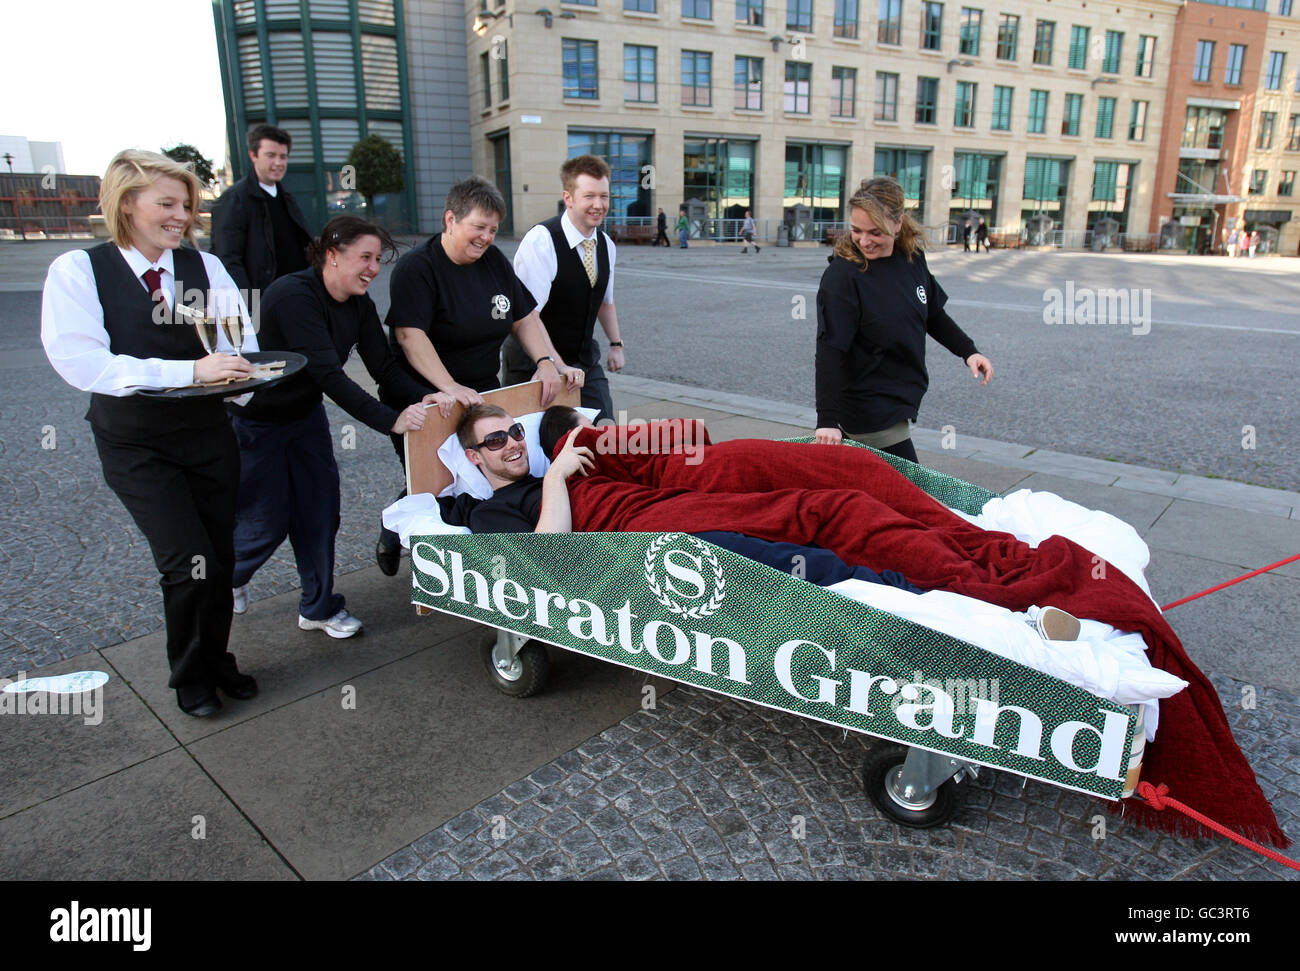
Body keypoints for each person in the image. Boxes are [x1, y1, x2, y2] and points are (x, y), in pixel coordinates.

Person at [41, 149, 258, 717]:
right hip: (136, 443)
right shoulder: (78, 271)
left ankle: (216, 660)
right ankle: (190, 676)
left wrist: (243, 378)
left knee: (218, 554)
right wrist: (188, 371)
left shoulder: (204, 268)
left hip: (208, 436)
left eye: (185, 205)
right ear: (125, 204)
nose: (180, 216)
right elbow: (83, 364)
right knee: (186, 558)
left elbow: (239, 343)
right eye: (166, 203)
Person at [227, 216, 451, 637]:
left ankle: (318, 607)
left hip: (305, 418)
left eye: (378, 260)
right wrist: (393, 421)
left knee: (320, 513)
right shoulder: (294, 296)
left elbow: (384, 366)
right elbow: (328, 376)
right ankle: (228, 579)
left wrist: (423, 396)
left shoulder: (360, 305)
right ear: (331, 255)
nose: (373, 268)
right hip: (257, 424)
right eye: (364, 257)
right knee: (266, 523)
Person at [374, 175, 584, 573]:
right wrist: (449, 386)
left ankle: (482, 542)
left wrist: (545, 362)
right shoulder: (417, 268)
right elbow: (409, 334)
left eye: (492, 229)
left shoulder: (493, 263)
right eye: (478, 227)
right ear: (450, 219)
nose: (487, 237)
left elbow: (524, 317)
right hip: (425, 394)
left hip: (483, 389)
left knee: (481, 467)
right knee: (437, 476)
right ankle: (401, 527)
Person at [815, 177, 993, 464]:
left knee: (876, 495)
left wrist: (968, 351)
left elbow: (932, 314)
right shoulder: (843, 276)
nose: (864, 241)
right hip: (867, 407)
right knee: (911, 491)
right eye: (856, 230)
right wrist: (827, 420)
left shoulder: (911, 258)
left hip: (899, 398)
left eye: (875, 232)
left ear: (898, 223)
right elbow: (830, 349)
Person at [501, 155, 624, 423]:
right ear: (568, 197)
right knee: (537, 450)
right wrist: (555, 364)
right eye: (589, 196)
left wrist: (616, 344)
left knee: (605, 433)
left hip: (583, 361)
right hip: (533, 363)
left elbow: (604, 300)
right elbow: (528, 314)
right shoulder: (541, 240)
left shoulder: (605, 244)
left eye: (604, 196)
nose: (598, 205)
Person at [210, 123, 312, 293]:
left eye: (283, 156)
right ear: (253, 155)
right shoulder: (234, 200)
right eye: (270, 155)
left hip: (296, 294)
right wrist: (252, 307)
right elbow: (227, 260)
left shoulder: (287, 198)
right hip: (263, 302)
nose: (278, 163)